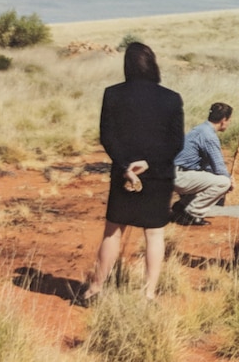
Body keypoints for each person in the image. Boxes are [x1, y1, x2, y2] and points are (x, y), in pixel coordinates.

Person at [77, 43, 184, 305]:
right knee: (155, 234)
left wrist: (126, 165)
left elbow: (107, 136)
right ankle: (148, 294)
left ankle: (96, 289)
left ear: (127, 66)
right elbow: (176, 142)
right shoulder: (171, 98)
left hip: (123, 174)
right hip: (158, 173)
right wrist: (147, 163)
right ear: (153, 64)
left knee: (113, 231)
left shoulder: (112, 94)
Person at [171, 102, 234, 226]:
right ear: (223, 120)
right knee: (223, 183)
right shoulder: (209, 136)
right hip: (178, 176)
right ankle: (191, 213)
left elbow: (209, 167)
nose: (229, 123)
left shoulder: (200, 129)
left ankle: (181, 207)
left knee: (210, 176)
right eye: (229, 120)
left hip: (174, 173)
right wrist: (230, 181)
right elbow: (219, 167)